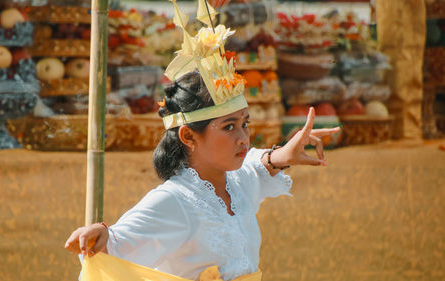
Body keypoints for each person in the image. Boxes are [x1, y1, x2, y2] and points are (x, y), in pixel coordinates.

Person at [65, 1, 339, 279]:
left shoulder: (234, 184)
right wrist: (102, 234)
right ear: (188, 136)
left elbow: (256, 166)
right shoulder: (174, 200)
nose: (243, 138)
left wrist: (281, 155)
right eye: (229, 127)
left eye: (245, 124)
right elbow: (119, 243)